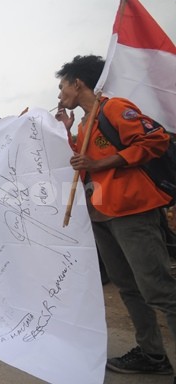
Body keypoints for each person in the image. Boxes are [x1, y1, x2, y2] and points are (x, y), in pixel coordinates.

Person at [55, 54, 176, 378]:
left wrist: (101, 165)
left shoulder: (112, 108)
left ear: (78, 82)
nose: (59, 93)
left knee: (159, 290)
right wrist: (68, 133)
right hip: (102, 214)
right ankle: (152, 354)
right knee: (127, 287)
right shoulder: (83, 123)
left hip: (131, 212)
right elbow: (82, 161)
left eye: (62, 85)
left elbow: (156, 139)